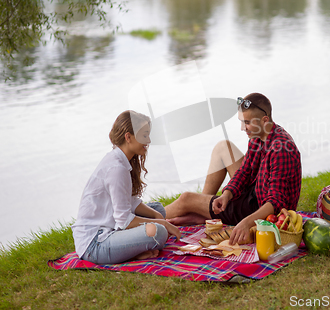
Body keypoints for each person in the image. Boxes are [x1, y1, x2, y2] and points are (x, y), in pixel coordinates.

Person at [164, 93, 301, 245]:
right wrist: (227, 195)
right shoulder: (260, 134)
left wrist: (246, 223)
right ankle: (206, 214)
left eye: (247, 122)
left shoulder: (280, 149)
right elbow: (245, 171)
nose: (243, 128)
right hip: (256, 190)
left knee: (186, 199)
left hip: (262, 211)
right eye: (242, 122)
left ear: (265, 120)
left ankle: (147, 219)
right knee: (222, 147)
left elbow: (276, 203)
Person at [72, 110, 181, 264]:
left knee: (158, 210)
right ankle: (132, 252)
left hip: (110, 225)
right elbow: (123, 220)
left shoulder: (120, 160)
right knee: (158, 232)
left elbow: (129, 201)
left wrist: (157, 217)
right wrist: (161, 223)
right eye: (144, 136)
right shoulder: (117, 168)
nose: (148, 140)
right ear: (128, 137)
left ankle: (132, 249)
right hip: (95, 244)